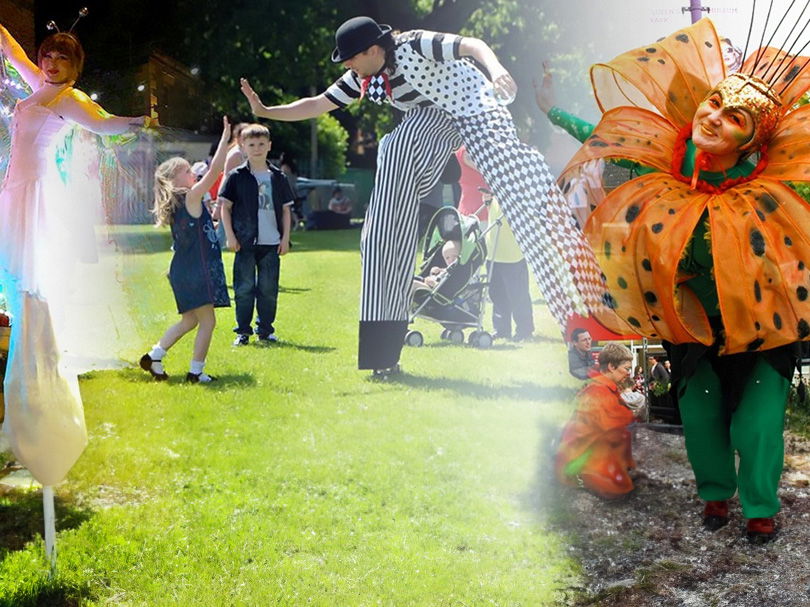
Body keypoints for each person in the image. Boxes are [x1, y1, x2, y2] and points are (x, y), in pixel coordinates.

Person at [541, 18, 810, 543]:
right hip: (690, 323)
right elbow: (599, 135)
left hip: (762, 324)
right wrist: (550, 108)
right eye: (713, 103)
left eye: (734, 118)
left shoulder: (782, 178)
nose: (714, 119)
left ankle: (760, 507)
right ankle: (714, 496)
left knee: (757, 423)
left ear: (752, 138)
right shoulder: (658, 155)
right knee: (702, 420)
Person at [239, 16, 600, 377]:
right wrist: (268, 112)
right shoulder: (366, 76)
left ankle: (590, 325)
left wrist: (497, 70)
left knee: (524, 198)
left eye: (351, 58)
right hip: (430, 120)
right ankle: (383, 355)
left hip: (475, 109)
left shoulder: (414, 43)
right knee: (392, 157)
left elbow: (471, 45)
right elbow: (318, 103)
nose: (347, 65)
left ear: (374, 49)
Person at [0, 24, 151, 485]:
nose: (49, 63)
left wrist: (141, 122)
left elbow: (103, 123)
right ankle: (15, 402)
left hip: (30, 199)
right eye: (47, 56)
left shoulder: (67, 99)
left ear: (74, 67)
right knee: (13, 290)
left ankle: (33, 412)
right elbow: (12, 51)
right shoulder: (40, 88)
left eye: (60, 59)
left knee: (25, 293)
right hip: (13, 193)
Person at [139, 118, 231, 383]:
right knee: (208, 322)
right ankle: (196, 372)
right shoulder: (189, 196)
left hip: (185, 270)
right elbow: (214, 173)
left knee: (190, 321)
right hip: (195, 271)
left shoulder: (181, 201)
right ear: (174, 179)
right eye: (187, 171)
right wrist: (224, 139)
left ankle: (155, 355)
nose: (193, 174)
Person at [218, 123, 295, 345]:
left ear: (269, 146)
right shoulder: (236, 176)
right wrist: (230, 236)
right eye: (251, 144)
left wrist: (285, 238)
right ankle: (243, 331)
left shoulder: (278, 177)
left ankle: (266, 330)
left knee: (268, 290)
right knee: (243, 288)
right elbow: (225, 207)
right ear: (243, 146)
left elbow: (286, 210)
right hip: (244, 241)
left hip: (271, 242)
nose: (257, 148)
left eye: (261, 144)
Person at [555, 343, 640, 499]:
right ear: (612, 366)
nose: (628, 373)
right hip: (594, 479)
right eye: (627, 369)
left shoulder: (604, 390)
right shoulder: (599, 393)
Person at [483, 193, 534, 341]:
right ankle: (501, 330)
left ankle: (524, 331)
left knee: (518, 295)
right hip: (493, 252)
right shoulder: (495, 194)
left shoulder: (516, 192)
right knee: (497, 295)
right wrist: (488, 202)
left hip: (513, 254)